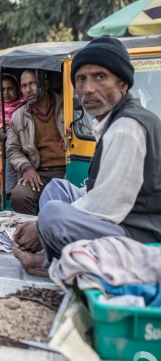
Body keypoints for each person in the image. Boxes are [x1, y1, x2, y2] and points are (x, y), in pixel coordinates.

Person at [12, 36, 161, 277]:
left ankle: (51, 263)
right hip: (119, 217)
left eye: (100, 77)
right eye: (81, 79)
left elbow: (106, 206)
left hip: (139, 235)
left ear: (123, 84)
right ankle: (53, 252)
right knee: (56, 190)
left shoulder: (127, 127)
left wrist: (40, 226)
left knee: (52, 216)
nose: (88, 88)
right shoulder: (112, 121)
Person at [5, 69, 66, 215]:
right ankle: (32, 233)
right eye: (24, 86)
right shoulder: (18, 115)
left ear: (45, 84)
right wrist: (27, 168)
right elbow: (12, 149)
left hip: (67, 169)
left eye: (32, 84)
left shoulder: (66, 106)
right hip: (38, 172)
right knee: (19, 196)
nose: (28, 90)